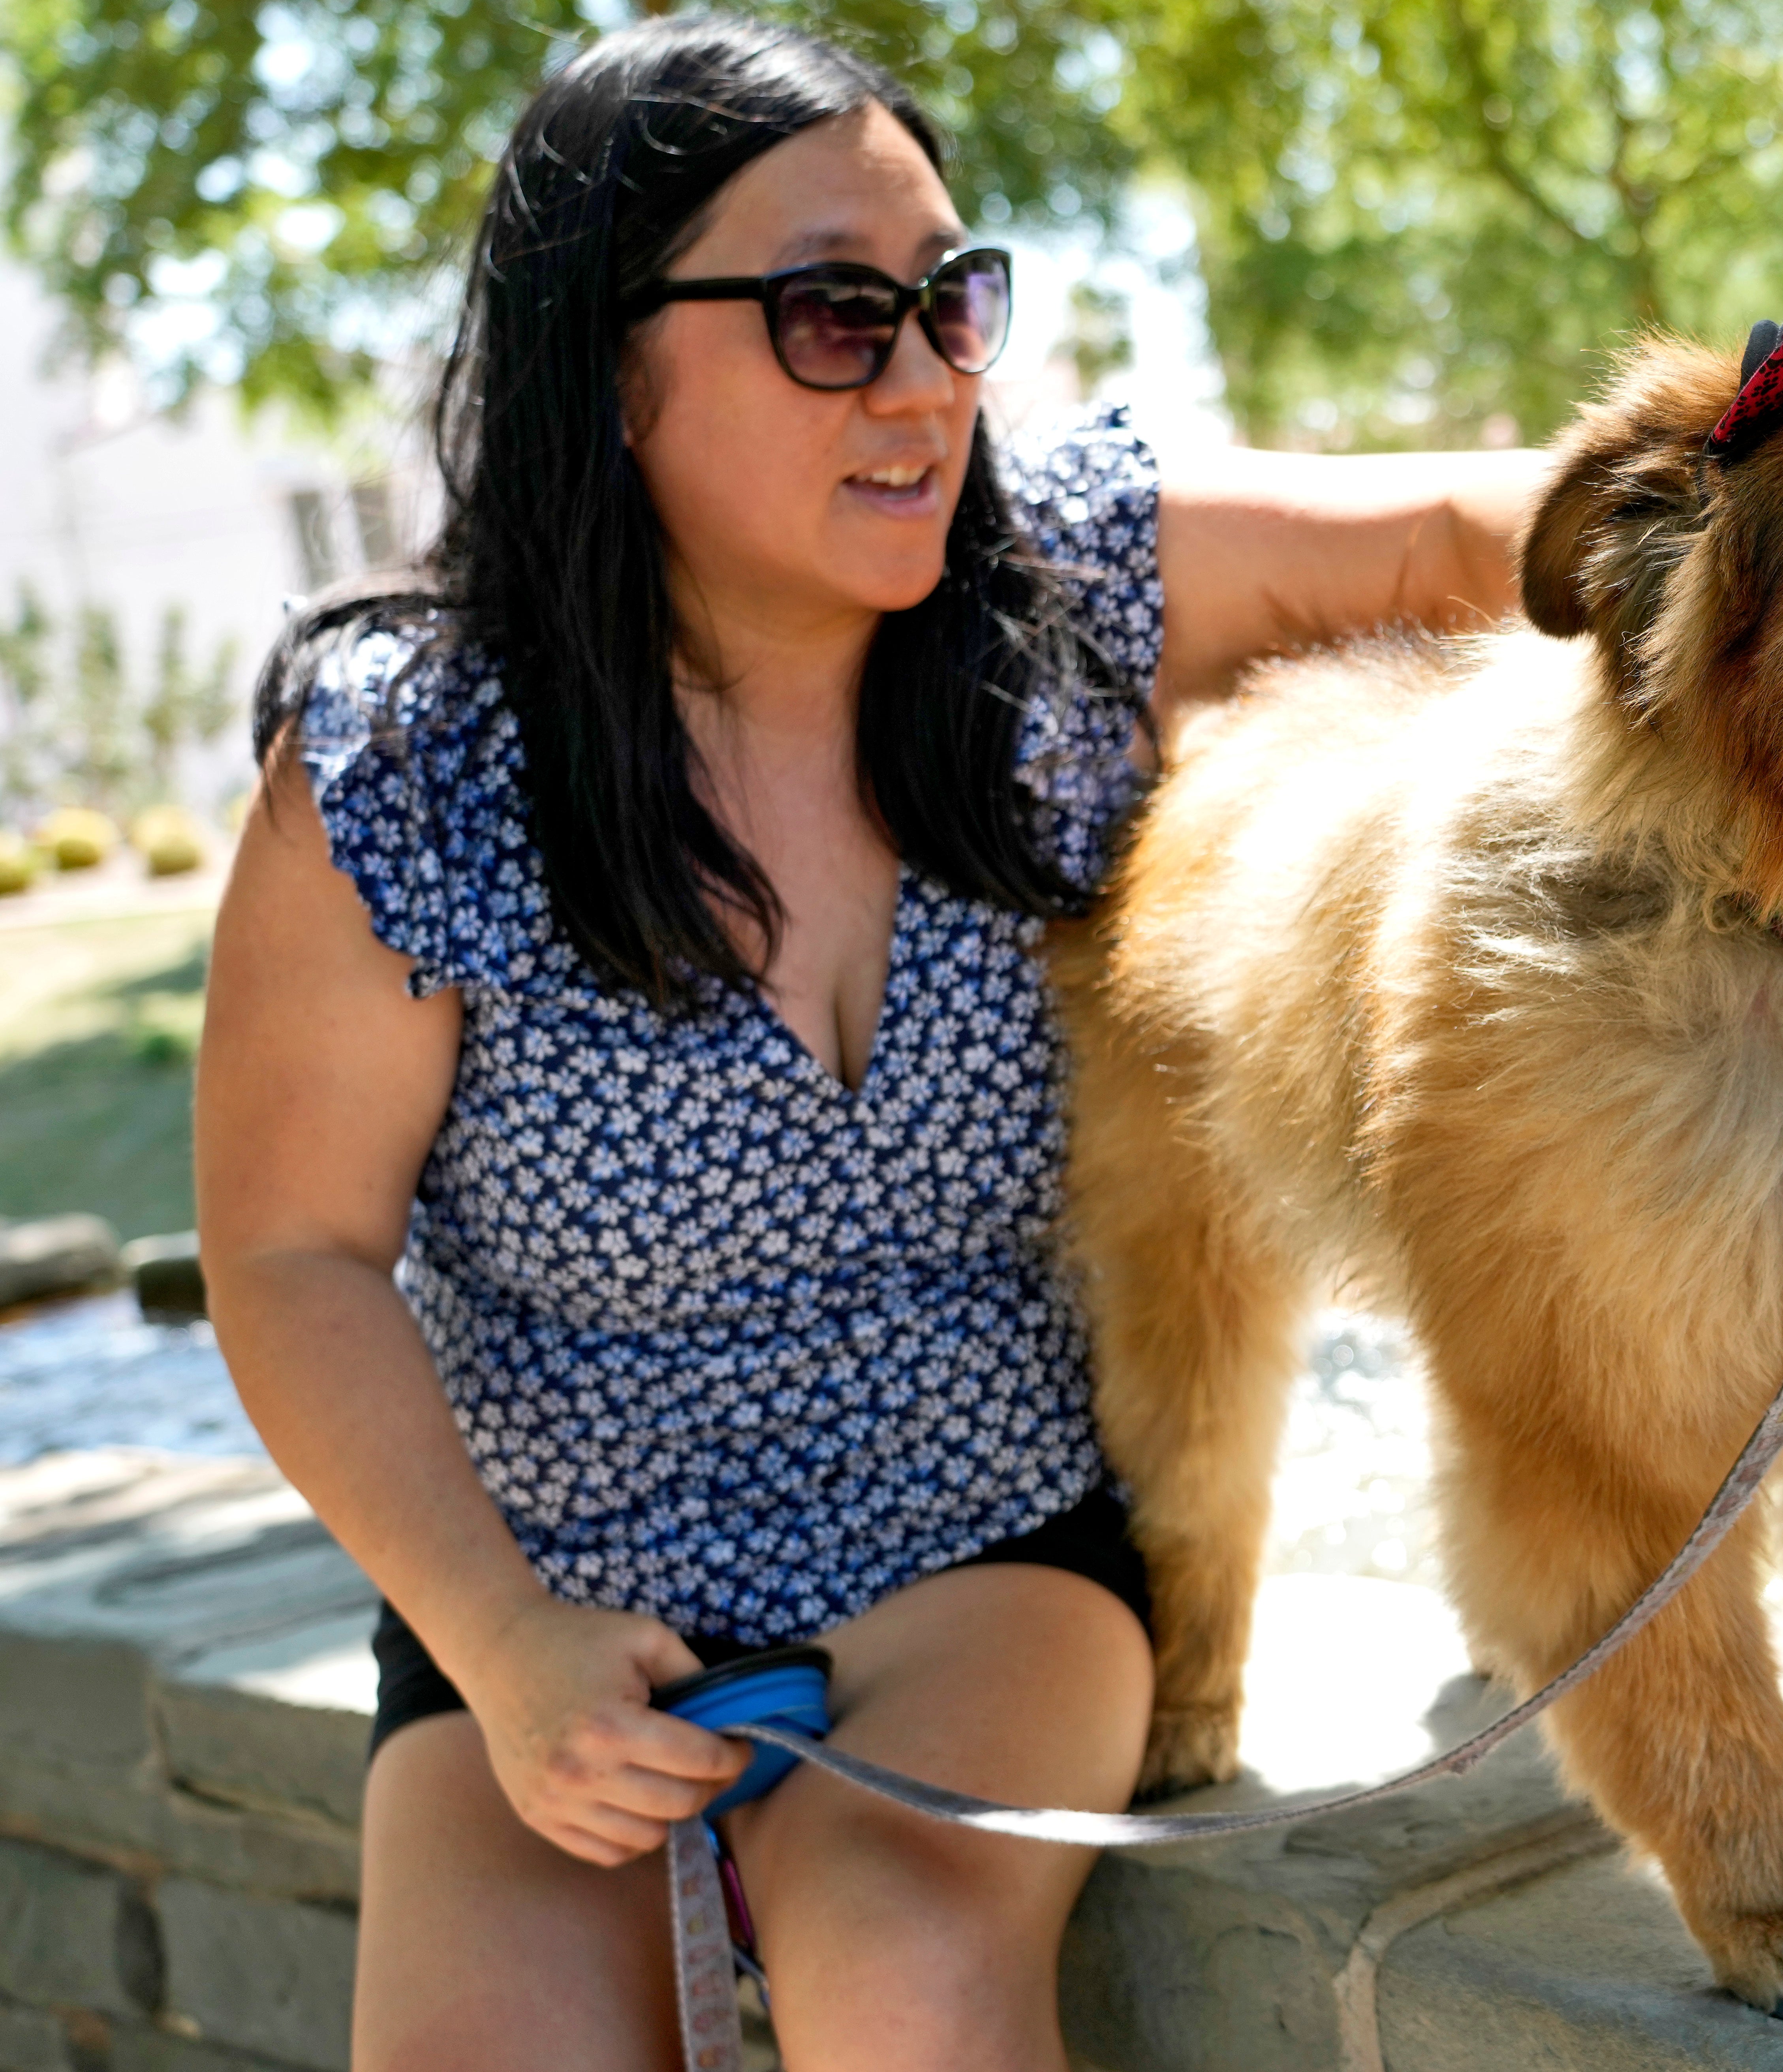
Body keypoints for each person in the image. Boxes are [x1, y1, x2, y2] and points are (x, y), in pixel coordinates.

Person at [191, 19, 1539, 2071]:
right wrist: (503, 1643)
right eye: (836, 315)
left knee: (899, 1950)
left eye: (950, 301)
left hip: (975, 1545)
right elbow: (289, 1248)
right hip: (542, 1591)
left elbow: (1460, 540)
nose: (923, 379)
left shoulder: (1053, 591)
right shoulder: (407, 769)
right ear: (607, 356)